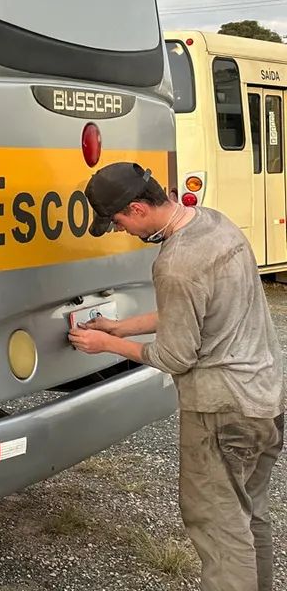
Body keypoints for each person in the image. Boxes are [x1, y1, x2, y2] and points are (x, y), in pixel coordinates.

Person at [68, 161, 284, 591]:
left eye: (118, 222)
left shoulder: (176, 263)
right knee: (248, 515)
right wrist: (120, 327)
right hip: (266, 400)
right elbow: (197, 312)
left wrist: (106, 346)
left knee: (220, 530)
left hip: (222, 412)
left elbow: (175, 355)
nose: (121, 231)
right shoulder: (215, 225)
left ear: (137, 208)